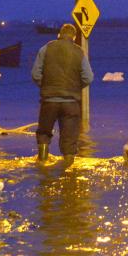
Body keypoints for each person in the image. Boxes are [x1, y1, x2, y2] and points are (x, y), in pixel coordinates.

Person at [31, 23, 94, 163]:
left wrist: (47, 86)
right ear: (74, 37)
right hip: (71, 103)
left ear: (59, 35)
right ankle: (68, 171)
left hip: (49, 101)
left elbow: (35, 74)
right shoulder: (79, 52)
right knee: (70, 138)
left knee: (44, 133)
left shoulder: (45, 49)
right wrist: (75, 87)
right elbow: (88, 77)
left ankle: (42, 165)